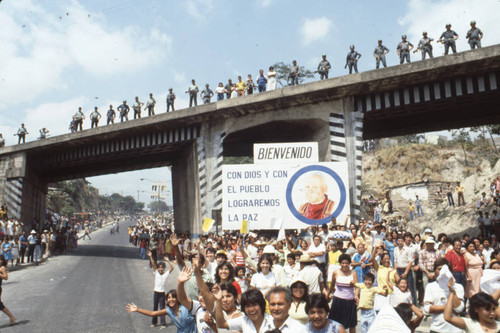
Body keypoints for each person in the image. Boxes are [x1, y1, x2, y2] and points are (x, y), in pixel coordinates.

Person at [423, 258, 464, 333]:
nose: (442, 272)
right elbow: (427, 308)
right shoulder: (430, 286)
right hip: (437, 329)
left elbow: (459, 309)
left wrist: (452, 290)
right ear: (435, 271)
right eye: (439, 269)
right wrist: (448, 308)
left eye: (445, 269)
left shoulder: (458, 287)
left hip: (455, 330)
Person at [127, 289, 196, 333]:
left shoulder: (186, 307)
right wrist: (137, 309)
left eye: (173, 297)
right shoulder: (169, 310)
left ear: (178, 299)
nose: (171, 299)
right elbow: (153, 313)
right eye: (169, 298)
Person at [327, 254, 358, 333]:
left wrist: (356, 295)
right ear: (340, 263)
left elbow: (357, 287)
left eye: (347, 263)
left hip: (350, 301)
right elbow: (332, 286)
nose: (345, 265)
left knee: (352, 324)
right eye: (343, 263)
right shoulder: (335, 273)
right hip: (338, 301)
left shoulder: (353, 273)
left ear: (349, 264)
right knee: (334, 323)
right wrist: (327, 295)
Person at [147, 250, 174, 328]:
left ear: (164, 269)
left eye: (162, 268)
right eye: (159, 268)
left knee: (162, 308)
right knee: (155, 307)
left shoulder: (165, 274)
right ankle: (154, 322)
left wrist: (168, 260)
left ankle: (163, 323)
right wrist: (150, 256)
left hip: (162, 293)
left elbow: (172, 267)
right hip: (156, 292)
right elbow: (153, 264)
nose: (160, 270)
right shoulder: (156, 273)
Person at [0, 255, 16, 326]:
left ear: (3, 261)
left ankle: (12, 317)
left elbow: (6, 277)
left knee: (0, 305)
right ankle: (12, 317)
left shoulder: (2, 268)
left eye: (1, 260)